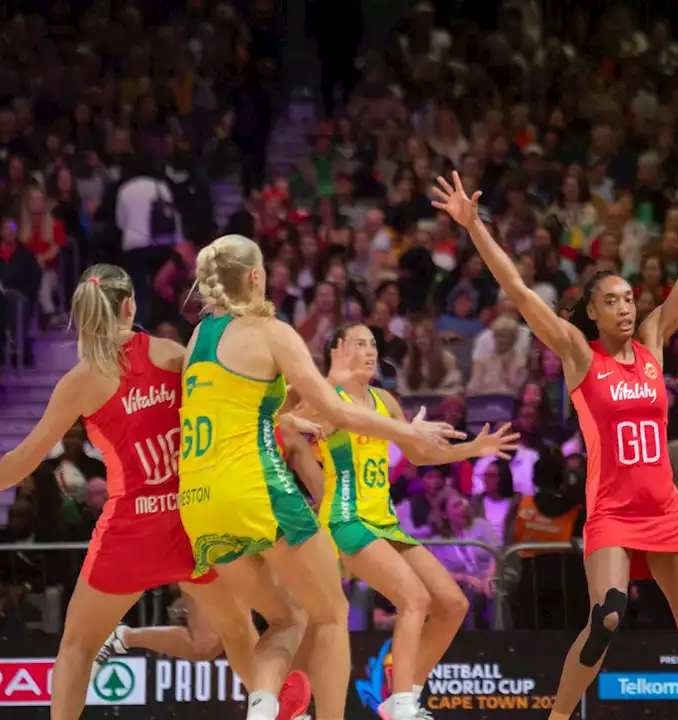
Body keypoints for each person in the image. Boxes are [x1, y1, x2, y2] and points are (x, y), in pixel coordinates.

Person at [430, 138, 678, 720]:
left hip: (665, 509)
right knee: (605, 616)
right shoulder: (580, 355)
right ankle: (558, 717)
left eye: (630, 298)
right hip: (611, 512)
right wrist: (475, 227)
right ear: (594, 312)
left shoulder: (653, 341)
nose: (627, 307)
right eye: (613, 301)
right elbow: (521, 293)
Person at [0, 264, 310, 720]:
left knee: (77, 648)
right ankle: (269, 705)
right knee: (237, 630)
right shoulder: (171, 353)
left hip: (131, 530)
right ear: (130, 307)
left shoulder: (80, 381)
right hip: (190, 523)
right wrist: (285, 416)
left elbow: (27, 456)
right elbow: (229, 409)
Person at [174, 235, 463, 720]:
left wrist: (284, 418)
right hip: (256, 490)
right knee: (330, 615)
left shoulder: (194, 343)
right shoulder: (270, 331)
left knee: (286, 619)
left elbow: (237, 406)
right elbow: (337, 412)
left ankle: (264, 711)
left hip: (199, 501)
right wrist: (404, 429)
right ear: (256, 277)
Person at [285, 322, 517, 720]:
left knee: (452, 604)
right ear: (339, 352)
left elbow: (422, 455)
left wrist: (475, 449)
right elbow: (282, 417)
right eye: (360, 344)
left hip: (384, 521)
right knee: (413, 600)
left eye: (373, 343)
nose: (371, 351)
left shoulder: (385, 401)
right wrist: (318, 388)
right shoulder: (327, 399)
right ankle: (401, 706)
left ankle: (403, 690)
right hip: (346, 519)